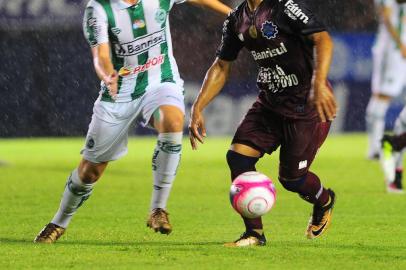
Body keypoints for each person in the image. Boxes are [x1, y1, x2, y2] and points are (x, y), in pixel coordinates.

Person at [34, 0, 231, 243]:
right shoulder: (99, 9)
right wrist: (108, 75)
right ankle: (58, 222)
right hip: (119, 94)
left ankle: (158, 209)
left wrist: (232, 15)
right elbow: (100, 55)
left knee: (172, 121)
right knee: (90, 171)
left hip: (161, 81)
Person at [189, 0, 337, 247]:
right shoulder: (237, 19)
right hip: (270, 103)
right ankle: (254, 234)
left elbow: (322, 39)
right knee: (238, 158)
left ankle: (324, 201)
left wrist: (318, 83)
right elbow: (222, 65)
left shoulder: (285, 7)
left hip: (306, 106)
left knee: (292, 180)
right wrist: (198, 106)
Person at [365, 0, 406, 160]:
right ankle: (375, 148)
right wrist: (400, 44)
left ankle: (376, 147)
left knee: (381, 96)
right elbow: (387, 18)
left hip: (397, 50)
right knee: (382, 96)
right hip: (392, 51)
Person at [381, 107, 406, 193]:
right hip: (402, 128)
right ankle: (392, 183)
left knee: (398, 155)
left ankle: (396, 184)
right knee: (398, 155)